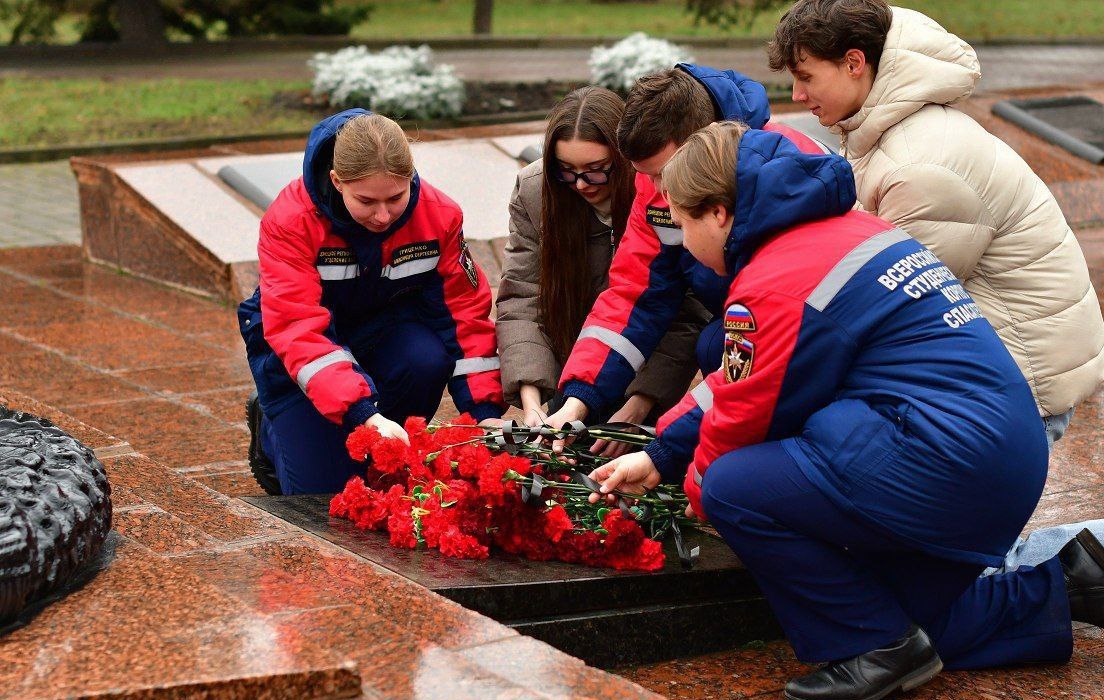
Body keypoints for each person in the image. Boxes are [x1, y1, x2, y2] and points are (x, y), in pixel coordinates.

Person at [767, 0, 1104, 634]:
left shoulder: (922, 160)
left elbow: (885, 312)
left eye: (807, 77)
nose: (798, 96)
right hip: (993, 358)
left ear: (856, 62)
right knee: (942, 565)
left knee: (967, 576)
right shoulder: (889, 133)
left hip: (1016, 373)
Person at [590, 123, 1104, 700]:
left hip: (945, 459)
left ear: (721, 214)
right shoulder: (840, 229)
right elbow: (744, 381)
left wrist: (697, 492)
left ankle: (880, 650)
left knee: (733, 487)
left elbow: (743, 419)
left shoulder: (773, 282)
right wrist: (660, 455)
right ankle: (1064, 589)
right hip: (1004, 452)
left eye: (682, 222)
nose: (680, 238)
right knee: (906, 617)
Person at [543, 64, 826, 435]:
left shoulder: (787, 167)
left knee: (720, 352)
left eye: (663, 173)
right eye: (646, 176)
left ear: (701, 139)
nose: (659, 192)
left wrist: (676, 443)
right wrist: (577, 401)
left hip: (810, 325)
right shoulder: (660, 181)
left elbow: (789, 317)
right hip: (738, 319)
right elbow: (634, 293)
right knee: (716, 345)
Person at [239, 110, 505, 495]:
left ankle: (378, 439)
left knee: (426, 360)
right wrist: (363, 414)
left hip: (385, 336)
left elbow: (465, 315)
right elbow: (296, 329)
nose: (383, 216)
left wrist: (484, 414)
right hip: (299, 358)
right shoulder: (291, 220)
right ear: (336, 181)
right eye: (366, 201)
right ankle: (271, 429)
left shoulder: (439, 216)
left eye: (396, 197)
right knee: (322, 496)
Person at [496, 87, 710, 451]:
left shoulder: (661, 194)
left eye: (596, 171)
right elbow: (521, 295)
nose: (581, 185)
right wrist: (532, 401)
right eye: (566, 171)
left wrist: (639, 405)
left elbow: (686, 308)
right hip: (574, 371)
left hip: (649, 372)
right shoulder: (536, 190)